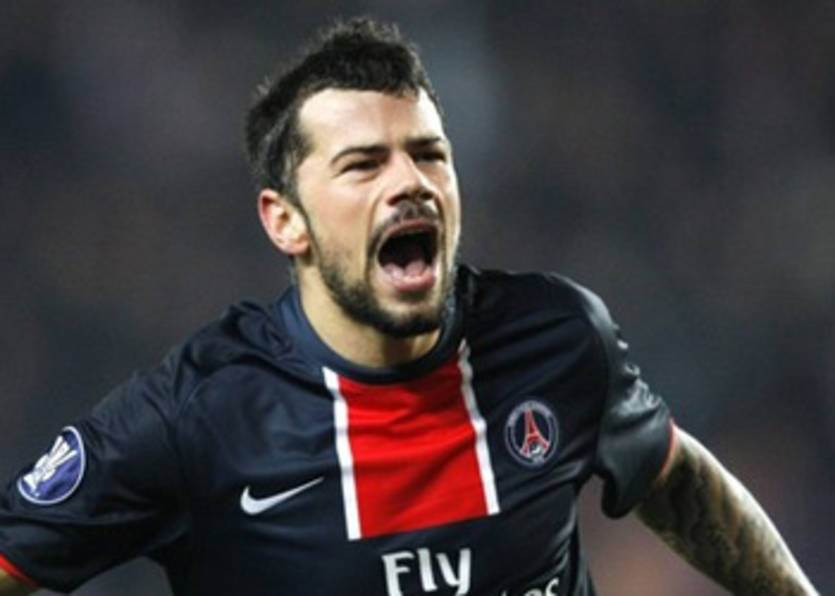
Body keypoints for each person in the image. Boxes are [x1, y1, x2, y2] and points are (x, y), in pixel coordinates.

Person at [0, 17, 818, 596]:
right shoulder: (195, 417)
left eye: (429, 154)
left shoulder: (558, 340)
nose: (410, 182)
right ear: (285, 221)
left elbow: (674, 478)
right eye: (363, 164)